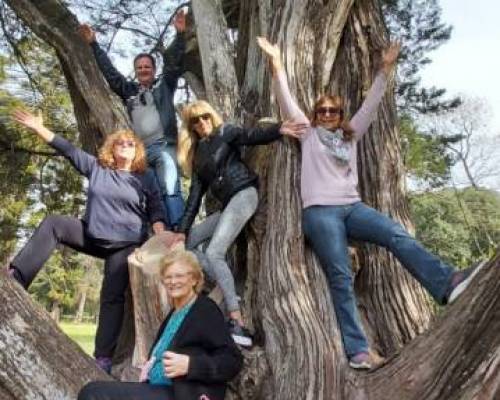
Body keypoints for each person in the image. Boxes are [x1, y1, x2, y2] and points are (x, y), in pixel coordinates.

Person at [257, 37, 486, 369]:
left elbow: (371, 105)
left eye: (333, 111)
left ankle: (446, 282)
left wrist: (385, 70)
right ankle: (359, 351)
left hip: (352, 208)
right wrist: (276, 63)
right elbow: (286, 100)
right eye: (321, 111)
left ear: (340, 115)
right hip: (320, 213)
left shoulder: (351, 135)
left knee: (395, 233)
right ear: (315, 116)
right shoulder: (307, 134)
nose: (327, 114)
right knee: (340, 276)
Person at [8, 109, 167, 373]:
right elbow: (68, 149)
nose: (125, 146)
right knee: (54, 223)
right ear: (112, 149)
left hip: (125, 244)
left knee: (111, 296)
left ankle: (103, 357)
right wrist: (39, 129)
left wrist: (161, 235)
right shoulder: (97, 167)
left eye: (130, 143)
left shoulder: (145, 177)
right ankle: (18, 276)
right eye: (120, 143)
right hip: (93, 234)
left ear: (137, 150)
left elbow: (156, 210)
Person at [168, 100, 306, 347]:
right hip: (227, 206)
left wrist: (279, 129)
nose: (202, 123)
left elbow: (250, 135)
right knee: (187, 244)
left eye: (205, 117)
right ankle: (225, 281)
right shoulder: (198, 157)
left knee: (214, 252)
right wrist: (181, 232)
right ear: (191, 128)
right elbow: (194, 199)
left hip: (244, 194)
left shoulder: (225, 132)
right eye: (195, 121)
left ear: (211, 116)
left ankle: (236, 319)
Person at [78, 249, 243, 400]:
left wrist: (190, 365)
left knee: (93, 393)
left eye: (179, 276)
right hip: (157, 389)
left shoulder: (204, 309)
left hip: (184, 394)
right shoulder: (174, 313)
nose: (173, 281)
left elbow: (232, 360)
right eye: (168, 276)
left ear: (193, 279)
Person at [79, 9, 186, 228]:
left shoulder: (164, 86)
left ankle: (179, 229)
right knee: (150, 191)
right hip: (141, 152)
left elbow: (173, 64)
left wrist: (181, 35)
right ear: (136, 71)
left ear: (154, 70)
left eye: (147, 66)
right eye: (140, 67)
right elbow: (110, 74)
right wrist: (94, 45)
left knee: (170, 184)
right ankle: (158, 231)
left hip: (163, 146)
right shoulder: (129, 90)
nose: (144, 70)